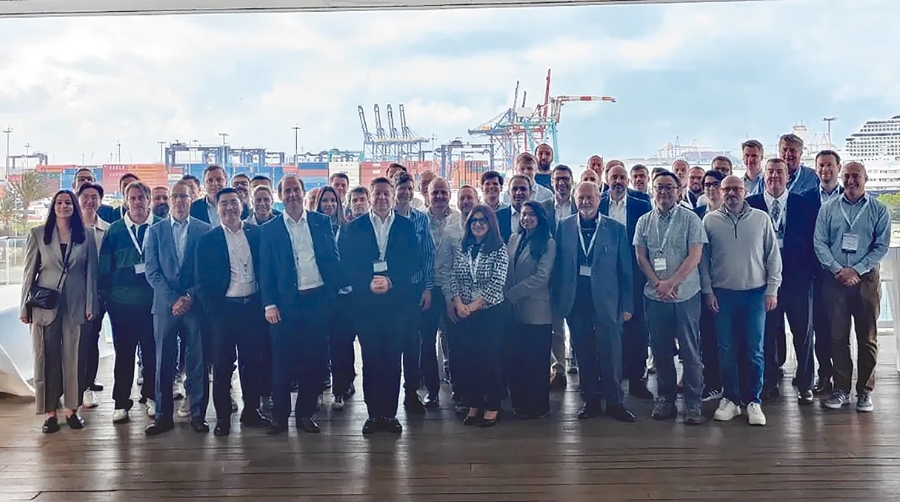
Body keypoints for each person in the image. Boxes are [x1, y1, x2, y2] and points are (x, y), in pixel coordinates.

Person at [261, 175, 341, 434]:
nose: (292, 195)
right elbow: (266, 271)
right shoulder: (270, 229)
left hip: (316, 301)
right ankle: (279, 418)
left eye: (296, 189)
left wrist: (330, 295)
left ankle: (305, 415)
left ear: (304, 193)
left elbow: (332, 259)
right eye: (287, 191)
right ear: (280, 195)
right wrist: (269, 303)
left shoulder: (321, 222)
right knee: (282, 363)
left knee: (314, 361)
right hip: (285, 306)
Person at [341, 177, 421, 434]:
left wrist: (391, 280)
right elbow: (348, 262)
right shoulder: (356, 227)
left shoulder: (407, 226)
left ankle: (390, 414)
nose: (382, 198)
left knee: (392, 359)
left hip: (396, 304)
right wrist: (367, 282)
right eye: (377, 194)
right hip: (366, 305)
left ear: (393, 196)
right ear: (370, 196)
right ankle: (373, 415)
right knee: (371, 360)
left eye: (387, 193)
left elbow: (413, 260)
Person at [701, 175, 781, 426]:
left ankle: (753, 401)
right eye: (727, 189)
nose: (732, 193)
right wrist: (707, 291)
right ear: (720, 192)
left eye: (737, 189)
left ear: (745, 192)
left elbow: (772, 256)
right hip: (723, 294)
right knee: (725, 350)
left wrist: (772, 289)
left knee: (754, 350)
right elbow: (703, 261)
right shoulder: (709, 220)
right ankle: (731, 400)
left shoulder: (761, 218)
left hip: (755, 294)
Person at [554, 182, 636, 423]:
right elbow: (558, 267)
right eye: (581, 197)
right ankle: (590, 400)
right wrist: (559, 303)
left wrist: (628, 305)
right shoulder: (564, 226)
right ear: (575, 199)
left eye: (590, 197)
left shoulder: (616, 228)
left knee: (611, 352)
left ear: (599, 199)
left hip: (608, 300)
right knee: (584, 352)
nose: (586, 202)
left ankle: (615, 401)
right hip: (576, 300)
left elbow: (626, 271)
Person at [194, 188, 272, 436]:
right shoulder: (208, 240)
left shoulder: (257, 234)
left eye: (234, 203)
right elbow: (201, 282)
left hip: (252, 309)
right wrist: (214, 313)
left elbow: (267, 270)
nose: (229, 208)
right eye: (224, 204)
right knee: (222, 367)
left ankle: (251, 411)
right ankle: (223, 418)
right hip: (224, 312)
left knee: (253, 364)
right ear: (217, 209)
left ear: (243, 204)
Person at [814, 161, 890, 412]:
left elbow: (881, 247)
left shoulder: (879, 210)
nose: (851, 181)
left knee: (867, 337)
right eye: (846, 176)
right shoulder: (828, 208)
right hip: (835, 279)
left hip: (866, 279)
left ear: (865, 178)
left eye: (856, 176)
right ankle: (841, 389)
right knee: (837, 336)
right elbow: (820, 243)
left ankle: (865, 391)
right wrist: (838, 269)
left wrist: (855, 270)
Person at [21, 190, 99, 433]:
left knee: (74, 358)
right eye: (59, 203)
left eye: (68, 203)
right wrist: (25, 306)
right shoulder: (38, 234)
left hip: (76, 305)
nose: (64, 206)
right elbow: (28, 273)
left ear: (74, 207)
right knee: (46, 358)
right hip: (46, 306)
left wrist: (90, 306)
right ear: (53, 207)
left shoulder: (86, 235)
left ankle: (72, 410)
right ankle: (50, 412)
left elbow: (91, 276)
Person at [634, 172, 705, 424]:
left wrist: (672, 283)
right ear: (653, 190)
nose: (663, 192)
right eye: (659, 187)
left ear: (679, 189)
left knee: (690, 351)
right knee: (661, 350)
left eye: (669, 187)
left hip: (685, 295)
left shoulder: (690, 218)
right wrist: (658, 284)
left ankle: (694, 403)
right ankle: (665, 399)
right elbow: (641, 257)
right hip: (655, 297)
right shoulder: (644, 221)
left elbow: (694, 256)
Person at [747, 158, 819, 404]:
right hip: (764, 282)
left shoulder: (805, 205)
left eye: (780, 172)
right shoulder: (751, 205)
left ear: (788, 176)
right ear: (763, 176)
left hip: (798, 280)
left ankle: (805, 383)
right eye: (770, 172)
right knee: (766, 334)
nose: (775, 176)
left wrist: (811, 274)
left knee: (803, 333)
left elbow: (814, 242)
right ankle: (768, 382)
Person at [143, 180, 211, 435]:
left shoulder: (204, 230)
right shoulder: (156, 231)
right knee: (163, 361)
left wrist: (189, 296)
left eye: (184, 196)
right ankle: (162, 416)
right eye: (175, 197)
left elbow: (206, 271)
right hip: (165, 306)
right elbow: (152, 271)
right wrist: (173, 299)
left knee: (198, 361)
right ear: (169, 200)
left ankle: (198, 415)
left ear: (191, 199)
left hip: (195, 306)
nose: (180, 201)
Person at [99, 181, 161, 424]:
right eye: (132, 198)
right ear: (126, 201)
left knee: (151, 354)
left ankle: (152, 397)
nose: (136, 202)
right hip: (121, 304)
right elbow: (105, 267)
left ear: (149, 200)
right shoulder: (114, 230)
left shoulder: (159, 227)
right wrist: (109, 299)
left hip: (153, 304)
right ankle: (120, 402)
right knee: (123, 355)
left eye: (141, 198)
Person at [449, 205, 509, 427]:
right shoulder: (463, 247)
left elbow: (497, 284)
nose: (478, 224)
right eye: (474, 221)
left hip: (491, 313)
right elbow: (454, 277)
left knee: (489, 360)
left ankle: (493, 406)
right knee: (469, 360)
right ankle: (474, 403)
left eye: (483, 220)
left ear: (491, 223)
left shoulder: (499, 249)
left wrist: (472, 306)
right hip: (464, 312)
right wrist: (458, 303)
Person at [600, 165, 653, 400]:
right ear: (607, 179)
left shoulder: (641, 206)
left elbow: (650, 240)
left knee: (637, 331)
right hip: (605, 277)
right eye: (614, 177)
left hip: (635, 274)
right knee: (607, 329)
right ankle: (610, 380)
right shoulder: (598, 204)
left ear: (628, 180)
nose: (619, 181)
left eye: (623, 177)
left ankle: (637, 380)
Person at [505, 201, 555, 419]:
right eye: (524, 214)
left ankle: (537, 407)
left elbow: (542, 277)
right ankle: (519, 403)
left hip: (537, 310)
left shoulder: (548, 242)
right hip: (514, 311)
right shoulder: (514, 238)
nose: (526, 218)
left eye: (532, 215)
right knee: (518, 359)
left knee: (536, 361)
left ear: (540, 217)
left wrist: (512, 293)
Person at [316, 186, 356, 411]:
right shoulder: (314, 228)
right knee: (321, 344)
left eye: (333, 201)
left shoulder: (348, 229)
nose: (329, 205)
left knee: (343, 344)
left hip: (345, 296)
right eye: (324, 201)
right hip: (321, 296)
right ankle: (321, 386)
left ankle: (341, 389)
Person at [77, 183, 109, 408]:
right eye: (86, 197)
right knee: (71, 341)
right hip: (73, 294)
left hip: (99, 294)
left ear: (100, 201)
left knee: (91, 338)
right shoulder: (69, 228)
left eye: (94, 197)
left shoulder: (108, 230)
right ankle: (68, 385)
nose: (90, 201)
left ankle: (87, 385)